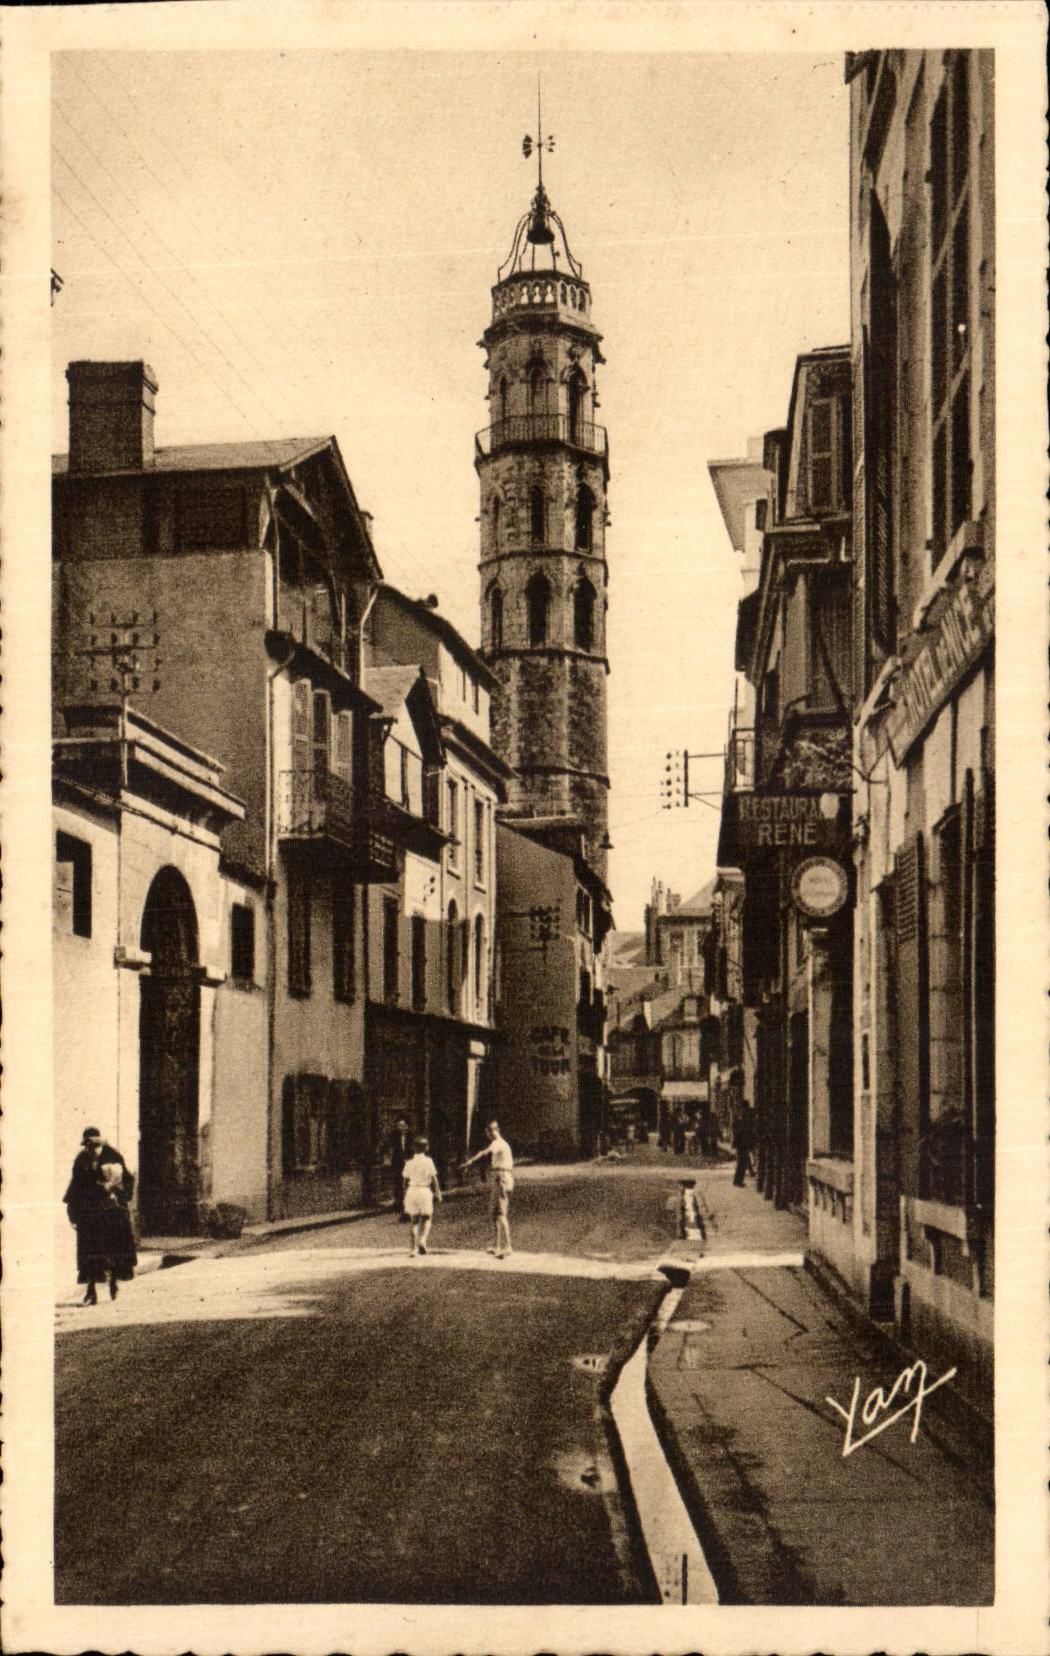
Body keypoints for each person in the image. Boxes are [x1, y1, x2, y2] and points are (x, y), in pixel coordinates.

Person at [63, 1127, 137, 1304]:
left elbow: (128, 1180)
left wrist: (116, 1190)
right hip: (90, 1214)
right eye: (88, 1146)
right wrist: (73, 1213)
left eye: (95, 1145)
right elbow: (75, 1186)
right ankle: (91, 1291)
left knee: (114, 1250)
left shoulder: (113, 1156)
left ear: (101, 1143)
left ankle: (113, 1283)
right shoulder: (81, 1160)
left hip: (112, 1213)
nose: (92, 1149)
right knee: (89, 1253)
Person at [462, 1119, 514, 1258]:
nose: (487, 1135)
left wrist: (470, 1162)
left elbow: (484, 1153)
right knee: (494, 1213)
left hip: (501, 1177)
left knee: (500, 1213)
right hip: (500, 1177)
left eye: (487, 1132)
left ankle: (507, 1246)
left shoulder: (498, 1143)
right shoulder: (500, 1143)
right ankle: (497, 1245)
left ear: (491, 1131)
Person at [401, 1134, 442, 1257]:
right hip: (424, 1191)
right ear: (427, 1148)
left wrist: (405, 1194)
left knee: (414, 1221)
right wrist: (438, 1193)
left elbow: (405, 1181)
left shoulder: (409, 1162)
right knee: (427, 1217)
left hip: (412, 1190)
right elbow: (434, 1179)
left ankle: (413, 1249)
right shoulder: (429, 1161)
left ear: (413, 1148)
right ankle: (423, 1240)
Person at [730, 1072, 756, 1187]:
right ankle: (737, 1181)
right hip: (742, 1143)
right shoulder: (741, 1117)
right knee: (742, 1162)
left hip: (742, 1142)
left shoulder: (740, 1116)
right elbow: (739, 1130)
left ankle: (739, 1180)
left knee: (743, 1162)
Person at [386, 1116, 414, 1221]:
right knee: (398, 1182)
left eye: (403, 1126)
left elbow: (414, 1149)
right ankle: (398, 1203)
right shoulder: (394, 1135)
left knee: (408, 1184)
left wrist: (409, 1158)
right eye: (399, 1126)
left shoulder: (411, 1135)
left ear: (407, 1126)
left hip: (409, 1162)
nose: (401, 1128)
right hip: (398, 1162)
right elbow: (390, 1146)